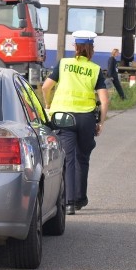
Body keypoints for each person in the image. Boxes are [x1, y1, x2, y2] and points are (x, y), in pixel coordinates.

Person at [42, 30, 109, 215]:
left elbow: (46, 87)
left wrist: (48, 103)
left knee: (69, 159)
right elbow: (104, 100)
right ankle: (80, 198)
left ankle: (69, 202)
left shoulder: (63, 64)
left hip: (63, 118)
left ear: (75, 47)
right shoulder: (95, 69)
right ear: (91, 49)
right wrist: (101, 122)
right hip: (86, 118)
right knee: (83, 157)